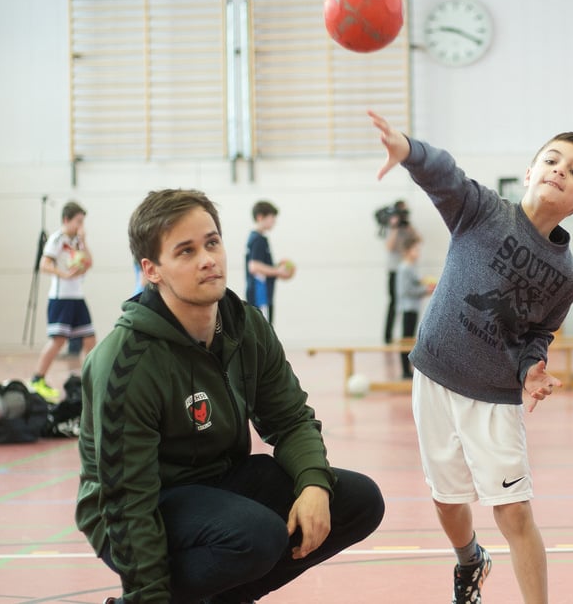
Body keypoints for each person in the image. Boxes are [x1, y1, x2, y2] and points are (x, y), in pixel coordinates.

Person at [76, 189, 385, 603]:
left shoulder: (245, 326)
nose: (207, 259)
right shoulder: (126, 360)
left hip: (218, 483)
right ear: (152, 270)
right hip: (137, 508)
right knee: (256, 536)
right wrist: (147, 596)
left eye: (212, 242)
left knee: (358, 500)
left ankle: (226, 596)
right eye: (185, 252)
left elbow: (291, 419)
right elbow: (129, 501)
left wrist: (313, 484)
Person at [369, 109, 573, 604]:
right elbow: (444, 175)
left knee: (513, 511)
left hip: (494, 397)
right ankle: (470, 559)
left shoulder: (568, 276)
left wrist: (532, 368)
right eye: (552, 159)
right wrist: (408, 150)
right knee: (447, 501)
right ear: (529, 171)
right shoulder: (481, 211)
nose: (560, 170)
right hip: (434, 376)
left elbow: (538, 332)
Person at [31, 201, 96, 404]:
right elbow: (44, 264)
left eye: (82, 222)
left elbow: (89, 263)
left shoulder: (77, 241)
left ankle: (93, 381)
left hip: (77, 297)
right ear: (66, 220)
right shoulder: (57, 239)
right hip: (61, 298)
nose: (80, 226)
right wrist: (63, 274)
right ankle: (37, 379)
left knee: (90, 340)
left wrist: (84, 242)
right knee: (58, 341)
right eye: (78, 221)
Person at [246, 200, 295, 324]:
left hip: (262, 295)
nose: (274, 221)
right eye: (271, 217)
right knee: (264, 333)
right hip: (260, 296)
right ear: (260, 217)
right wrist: (278, 271)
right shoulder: (259, 239)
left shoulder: (257, 238)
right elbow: (254, 266)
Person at [395, 230, 433, 379]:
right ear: (407, 251)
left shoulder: (410, 267)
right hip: (407, 308)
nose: (418, 253)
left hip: (412, 307)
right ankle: (405, 370)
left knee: (409, 337)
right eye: (415, 249)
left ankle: (407, 369)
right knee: (406, 339)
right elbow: (407, 290)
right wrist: (425, 290)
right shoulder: (405, 268)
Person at [383, 199, 417, 343]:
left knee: (407, 302)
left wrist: (409, 228)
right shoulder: (392, 228)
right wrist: (395, 228)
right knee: (393, 303)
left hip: (406, 269)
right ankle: (388, 336)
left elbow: (417, 240)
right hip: (394, 270)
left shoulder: (408, 228)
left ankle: (406, 336)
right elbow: (389, 247)